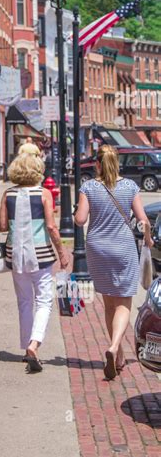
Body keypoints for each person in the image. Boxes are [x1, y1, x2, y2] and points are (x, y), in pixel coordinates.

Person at [74, 144, 153, 380]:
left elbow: (80, 220)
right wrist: (148, 239)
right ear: (117, 163)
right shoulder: (129, 187)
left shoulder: (88, 187)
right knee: (124, 304)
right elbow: (143, 220)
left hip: (98, 249)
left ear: (97, 164)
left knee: (109, 304)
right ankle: (114, 347)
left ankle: (117, 355)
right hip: (123, 249)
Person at [0, 153, 70, 372]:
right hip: (42, 255)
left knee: (24, 301)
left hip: (16, 255)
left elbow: (2, 226)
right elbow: (51, 227)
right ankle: (34, 344)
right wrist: (62, 252)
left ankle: (26, 347)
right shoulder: (44, 194)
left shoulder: (8, 194)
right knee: (44, 301)